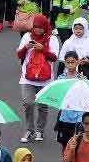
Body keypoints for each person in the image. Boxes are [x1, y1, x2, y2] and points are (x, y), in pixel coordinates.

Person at [17, 15, 59, 143]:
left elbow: (54, 57)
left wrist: (43, 49)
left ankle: (40, 130)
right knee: (28, 103)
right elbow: (19, 54)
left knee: (42, 106)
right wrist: (26, 47)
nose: (38, 30)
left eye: (41, 28)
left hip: (45, 78)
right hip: (28, 77)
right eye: (35, 27)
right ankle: (29, 129)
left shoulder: (52, 39)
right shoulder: (27, 37)